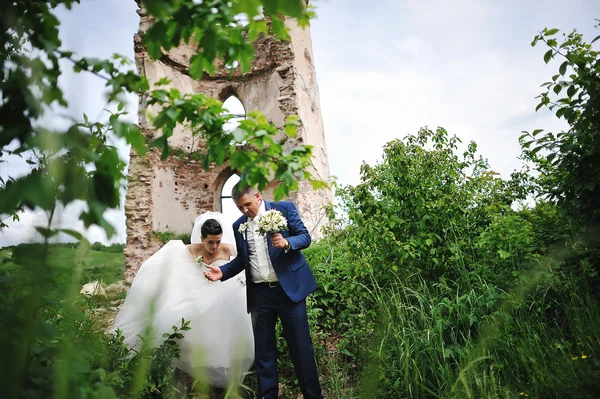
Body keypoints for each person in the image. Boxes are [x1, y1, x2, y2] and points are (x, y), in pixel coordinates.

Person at [204, 185, 323, 399]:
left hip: (289, 293)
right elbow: (242, 259)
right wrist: (222, 272)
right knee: (264, 354)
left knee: (301, 349)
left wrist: (287, 243)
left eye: (247, 204)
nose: (245, 211)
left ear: (258, 197)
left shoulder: (283, 209)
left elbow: (305, 237)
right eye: (240, 207)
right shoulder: (238, 225)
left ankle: (313, 396)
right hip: (260, 296)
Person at [112, 212, 254, 389]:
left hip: (223, 288)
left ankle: (221, 365)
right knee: (177, 312)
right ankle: (193, 367)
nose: (215, 246)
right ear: (202, 238)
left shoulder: (227, 248)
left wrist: (242, 278)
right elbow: (167, 261)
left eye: (218, 241)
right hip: (200, 288)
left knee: (227, 308)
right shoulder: (191, 250)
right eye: (210, 242)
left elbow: (245, 260)